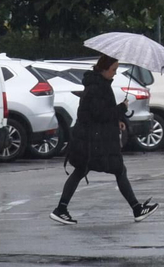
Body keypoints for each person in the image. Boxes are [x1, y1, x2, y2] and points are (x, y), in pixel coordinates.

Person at [51, 55, 157, 225]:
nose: (115, 74)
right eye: (113, 70)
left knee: (83, 170)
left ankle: (61, 209)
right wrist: (121, 108)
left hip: (92, 138)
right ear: (103, 68)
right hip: (94, 140)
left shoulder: (98, 84)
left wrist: (119, 120)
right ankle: (137, 209)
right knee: (118, 170)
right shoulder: (97, 87)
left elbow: (101, 113)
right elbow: (99, 114)